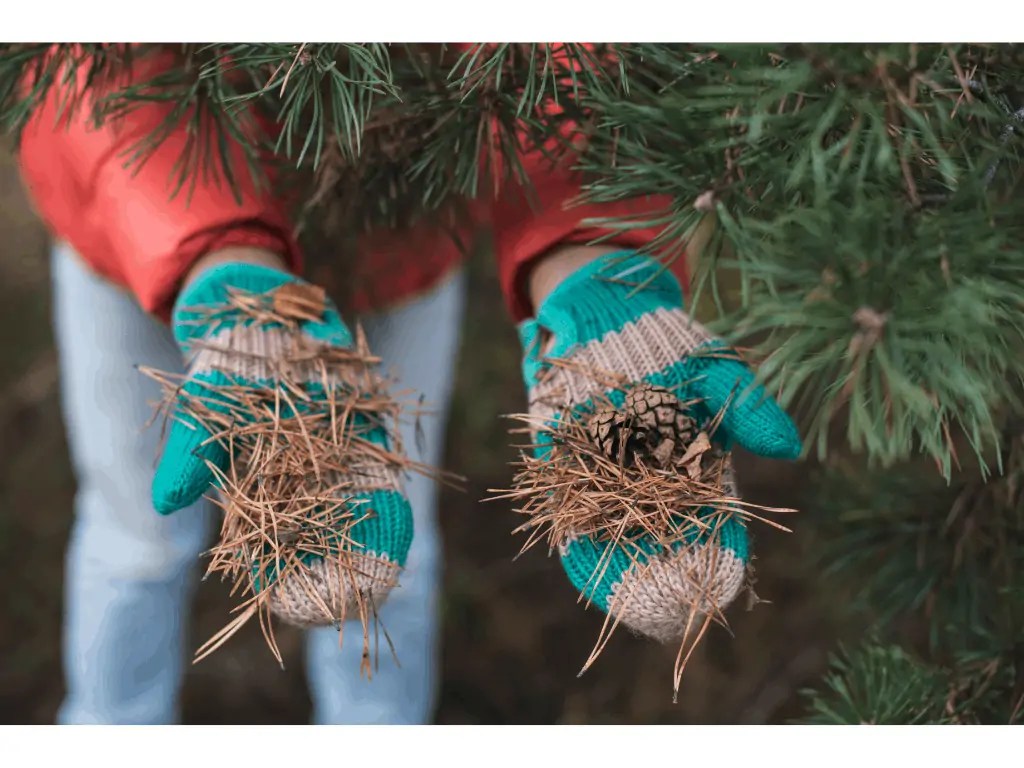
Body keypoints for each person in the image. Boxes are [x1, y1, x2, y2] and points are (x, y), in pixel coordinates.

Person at [16, 45, 801, 725]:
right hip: (134, 227)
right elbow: (87, 58)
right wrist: (219, 268)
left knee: (391, 545)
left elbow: (544, 51)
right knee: (138, 541)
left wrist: (594, 257)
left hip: (397, 235)